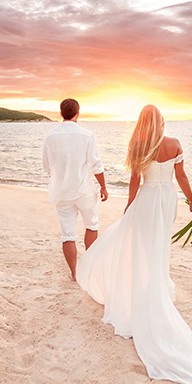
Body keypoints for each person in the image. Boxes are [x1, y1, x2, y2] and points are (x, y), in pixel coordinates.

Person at [76, 104, 192, 384]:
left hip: (147, 200)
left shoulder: (137, 144)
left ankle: (146, 288)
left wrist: (128, 207)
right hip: (166, 200)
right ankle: (156, 285)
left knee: (142, 248)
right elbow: (181, 177)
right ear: (160, 121)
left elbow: (135, 180)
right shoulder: (174, 143)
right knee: (159, 247)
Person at [42, 98, 109, 281]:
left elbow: (47, 167)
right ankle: (89, 268)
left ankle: (74, 273)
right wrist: (103, 186)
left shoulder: (50, 137)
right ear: (78, 113)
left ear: (61, 113)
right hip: (84, 190)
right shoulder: (87, 135)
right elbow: (96, 164)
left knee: (68, 235)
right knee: (92, 225)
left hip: (61, 192)